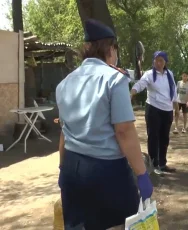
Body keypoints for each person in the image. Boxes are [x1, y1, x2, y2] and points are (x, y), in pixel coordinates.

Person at [56, 19, 153, 229]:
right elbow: (124, 131)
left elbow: (64, 132)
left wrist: (63, 169)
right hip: (105, 171)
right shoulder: (114, 80)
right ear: (110, 48)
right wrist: (142, 174)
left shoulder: (65, 83)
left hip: (72, 168)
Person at [131, 51, 178, 176]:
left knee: (164, 138)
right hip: (153, 109)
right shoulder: (149, 74)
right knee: (153, 137)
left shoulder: (169, 74)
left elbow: (173, 90)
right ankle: (154, 164)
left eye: (161, 60)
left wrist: (176, 106)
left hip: (167, 110)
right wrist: (132, 92)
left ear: (165, 62)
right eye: (156, 60)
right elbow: (141, 84)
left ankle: (162, 164)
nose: (158, 63)